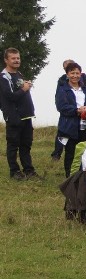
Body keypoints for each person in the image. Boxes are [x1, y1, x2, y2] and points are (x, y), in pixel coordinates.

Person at [0, 48, 39, 180]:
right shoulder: (4, 77)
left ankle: (29, 170)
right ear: (6, 60)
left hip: (26, 116)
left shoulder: (19, 74)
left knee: (26, 145)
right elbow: (10, 96)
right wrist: (24, 89)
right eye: (13, 58)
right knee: (13, 145)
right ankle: (14, 172)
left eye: (18, 58)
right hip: (14, 117)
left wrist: (25, 85)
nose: (16, 60)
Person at [55, 62, 86, 177]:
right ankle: (70, 178)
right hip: (69, 127)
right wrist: (77, 110)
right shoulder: (63, 89)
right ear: (67, 74)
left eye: (77, 73)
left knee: (85, 153)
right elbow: (61, 107)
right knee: (71, 154)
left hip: (85, 126)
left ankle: (83, 177)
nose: (75, 76)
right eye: (72, 73)